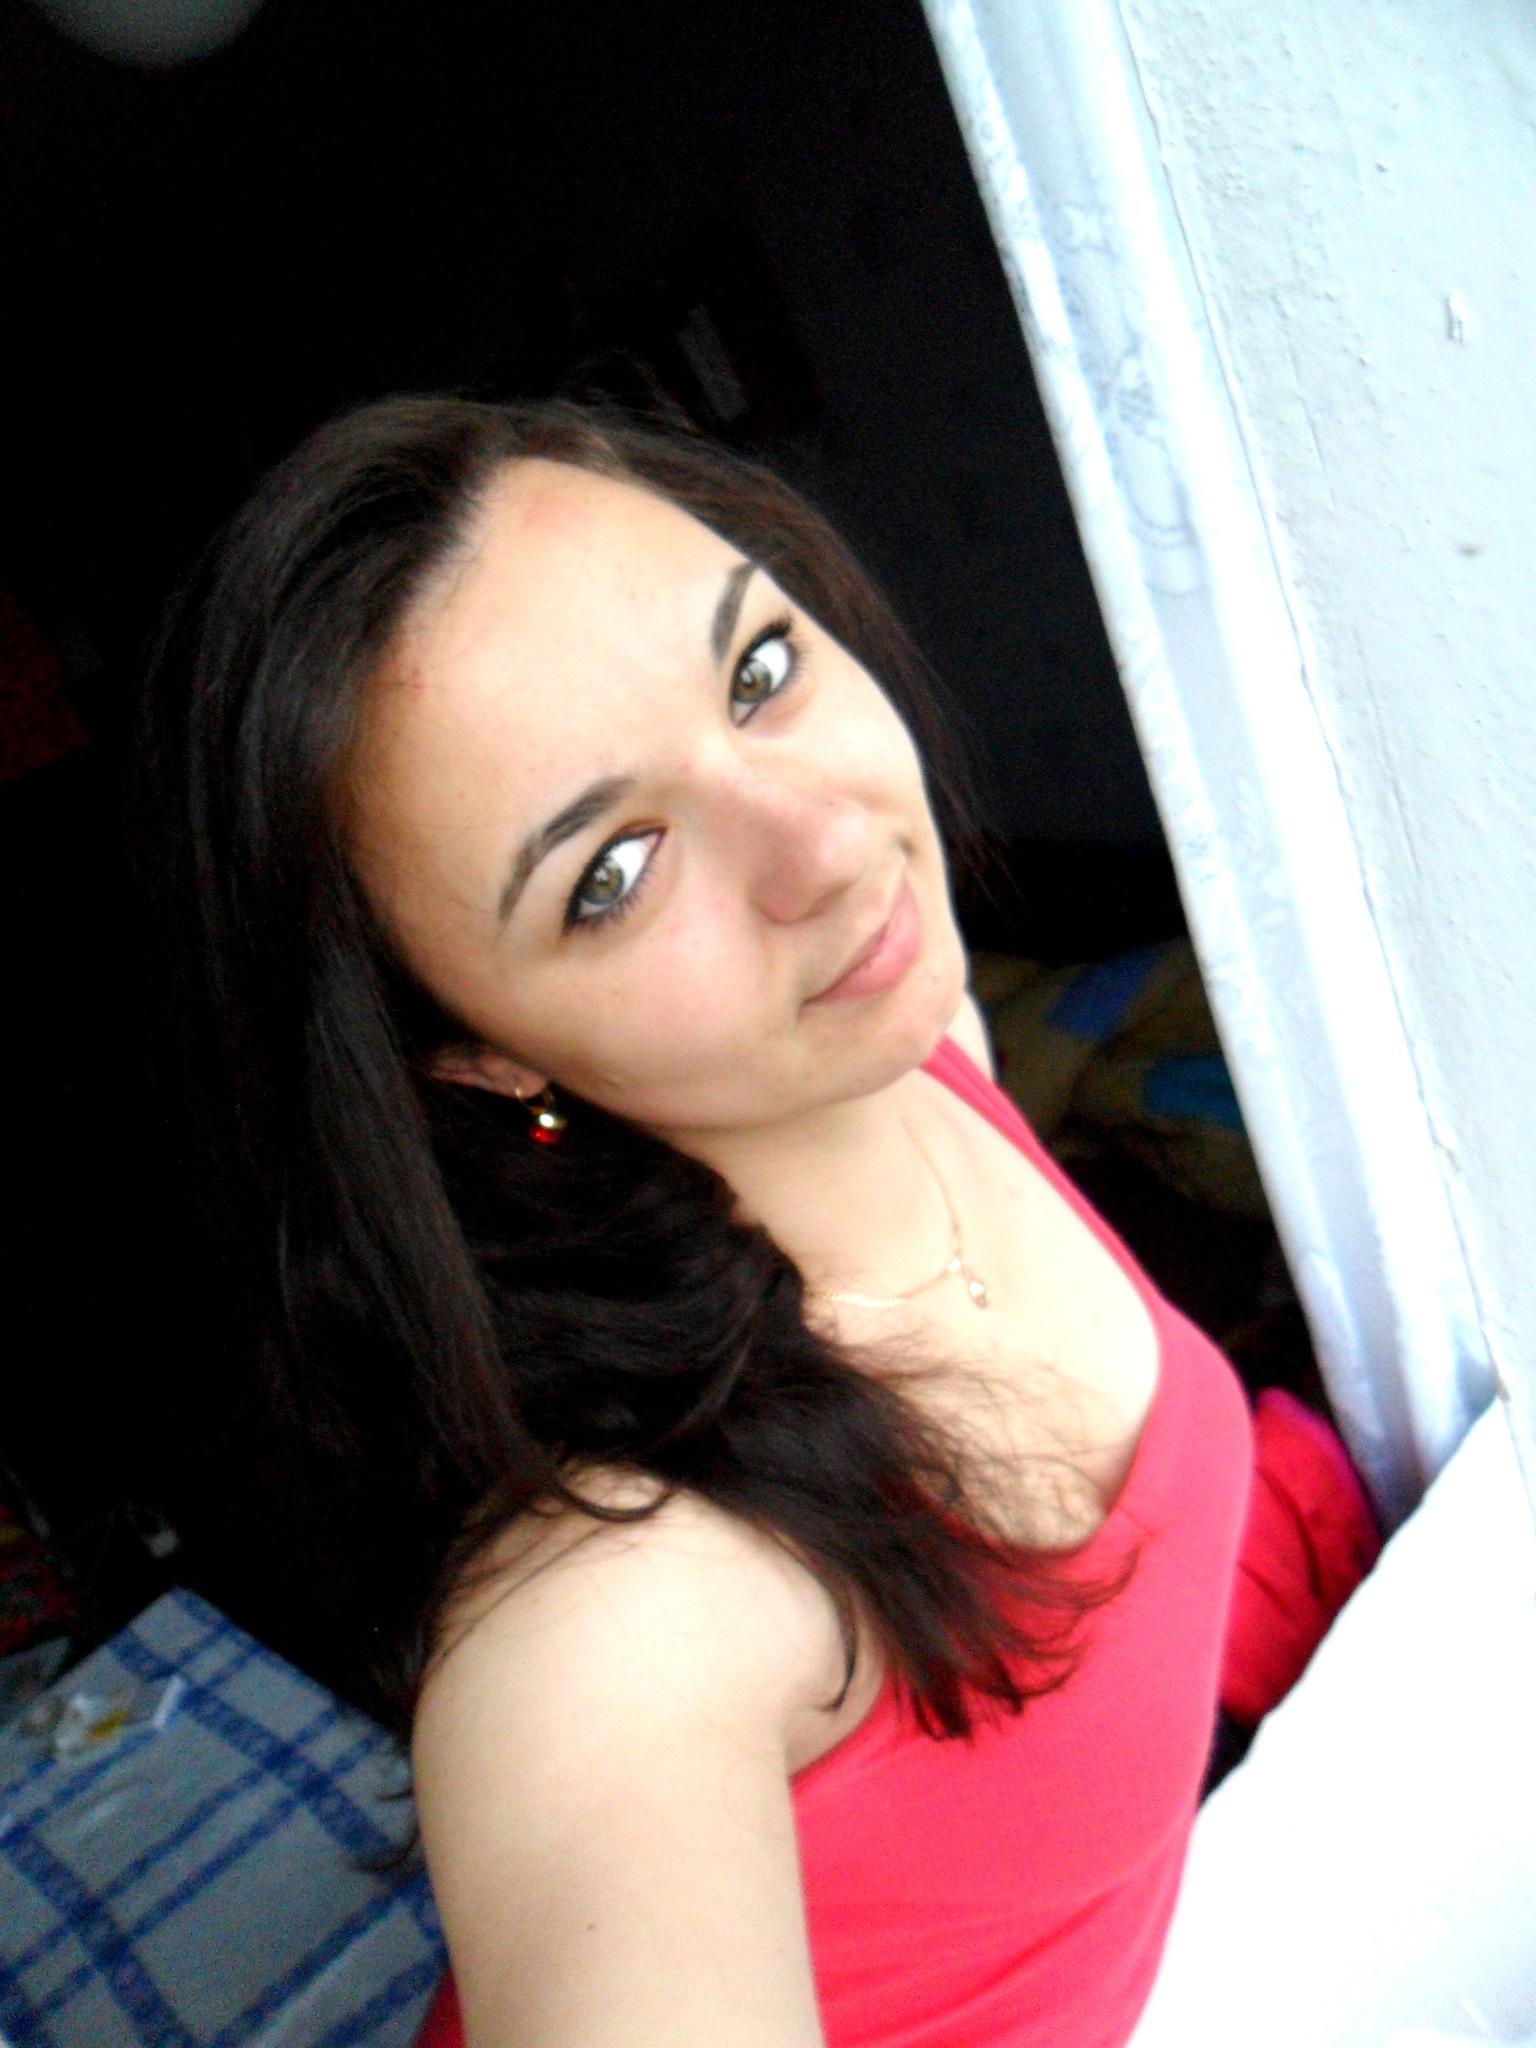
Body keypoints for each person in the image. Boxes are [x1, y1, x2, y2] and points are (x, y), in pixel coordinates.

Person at [141, 397, 1259, 2048]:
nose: (827, 844)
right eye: (612, 871)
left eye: (758, 670)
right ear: (479, 1052)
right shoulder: (617, 1634)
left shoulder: (925, 1056)